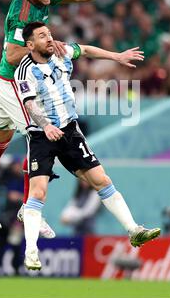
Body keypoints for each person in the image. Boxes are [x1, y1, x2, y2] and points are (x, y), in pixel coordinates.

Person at [0, 0, 144, 232]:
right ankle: (29, 210)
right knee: (39, 135)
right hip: (10, 83)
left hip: (3, 80)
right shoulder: (23, 14)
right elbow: (13, 55)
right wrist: (44, 44)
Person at [14, 21, 161, 270]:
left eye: (49, 34)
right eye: (42, 36)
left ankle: (133, 230)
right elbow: (29, 103)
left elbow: (86, 50)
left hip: (70, 131)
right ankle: (31, 251)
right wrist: (46, 125)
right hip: (41, 135)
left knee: (101, 180)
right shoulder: (24, 70)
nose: (49, 39)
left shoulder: (61, 51)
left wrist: (116, 56)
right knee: (37, 192)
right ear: (30, 45)